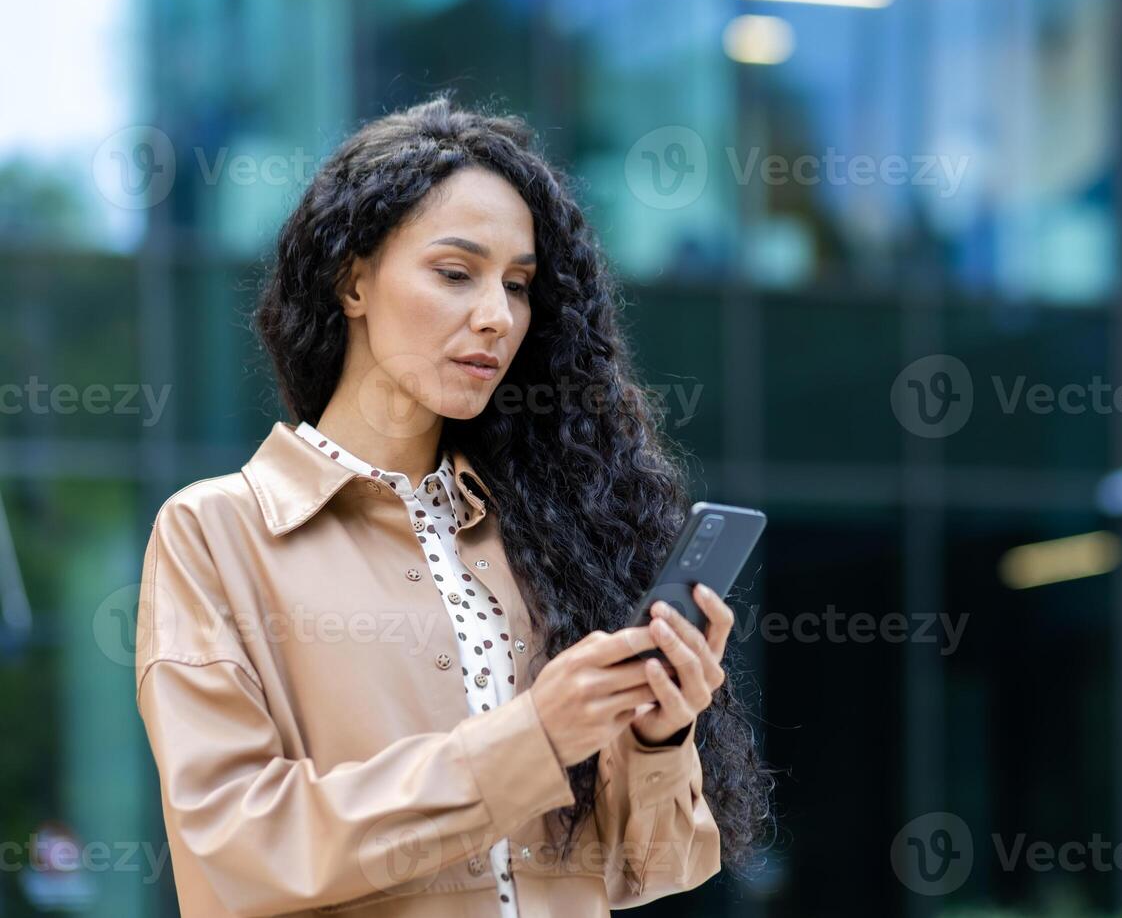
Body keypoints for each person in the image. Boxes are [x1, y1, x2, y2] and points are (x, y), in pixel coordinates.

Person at [134, 93, 773, 917]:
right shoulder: (215, 533)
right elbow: (239, 849)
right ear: (353, 280)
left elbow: (647, 870)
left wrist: (658, 734)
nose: (496, 317)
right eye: (454, 273)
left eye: (518, 285)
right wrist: (531, 740)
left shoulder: (538, 535)